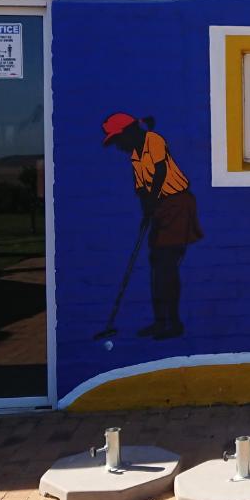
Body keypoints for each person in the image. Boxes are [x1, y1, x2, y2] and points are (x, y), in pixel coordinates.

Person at [101, 113, 203, 339]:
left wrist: (152, 201)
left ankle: (173, 323)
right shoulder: (134, 156)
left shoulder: (153, 140)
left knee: (167, 265)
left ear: (130, 132)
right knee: (157, 264)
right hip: (159, 208)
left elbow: (160, 172)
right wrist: (146, 209)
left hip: (177, 204)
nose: (118, 146)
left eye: (118, 140)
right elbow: (141, 188)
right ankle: (160, 321)